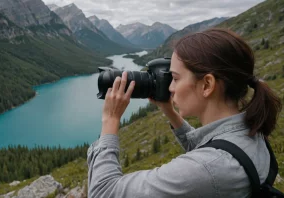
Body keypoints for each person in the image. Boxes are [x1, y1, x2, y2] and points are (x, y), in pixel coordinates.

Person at [87, 28, 282, 198]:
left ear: (207, 84)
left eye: (175, 78)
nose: (170, 87)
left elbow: (104, 192)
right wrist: (169, 111)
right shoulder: (250, 132)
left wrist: (110, 121)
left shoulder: (208, 168)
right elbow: (208, 147)